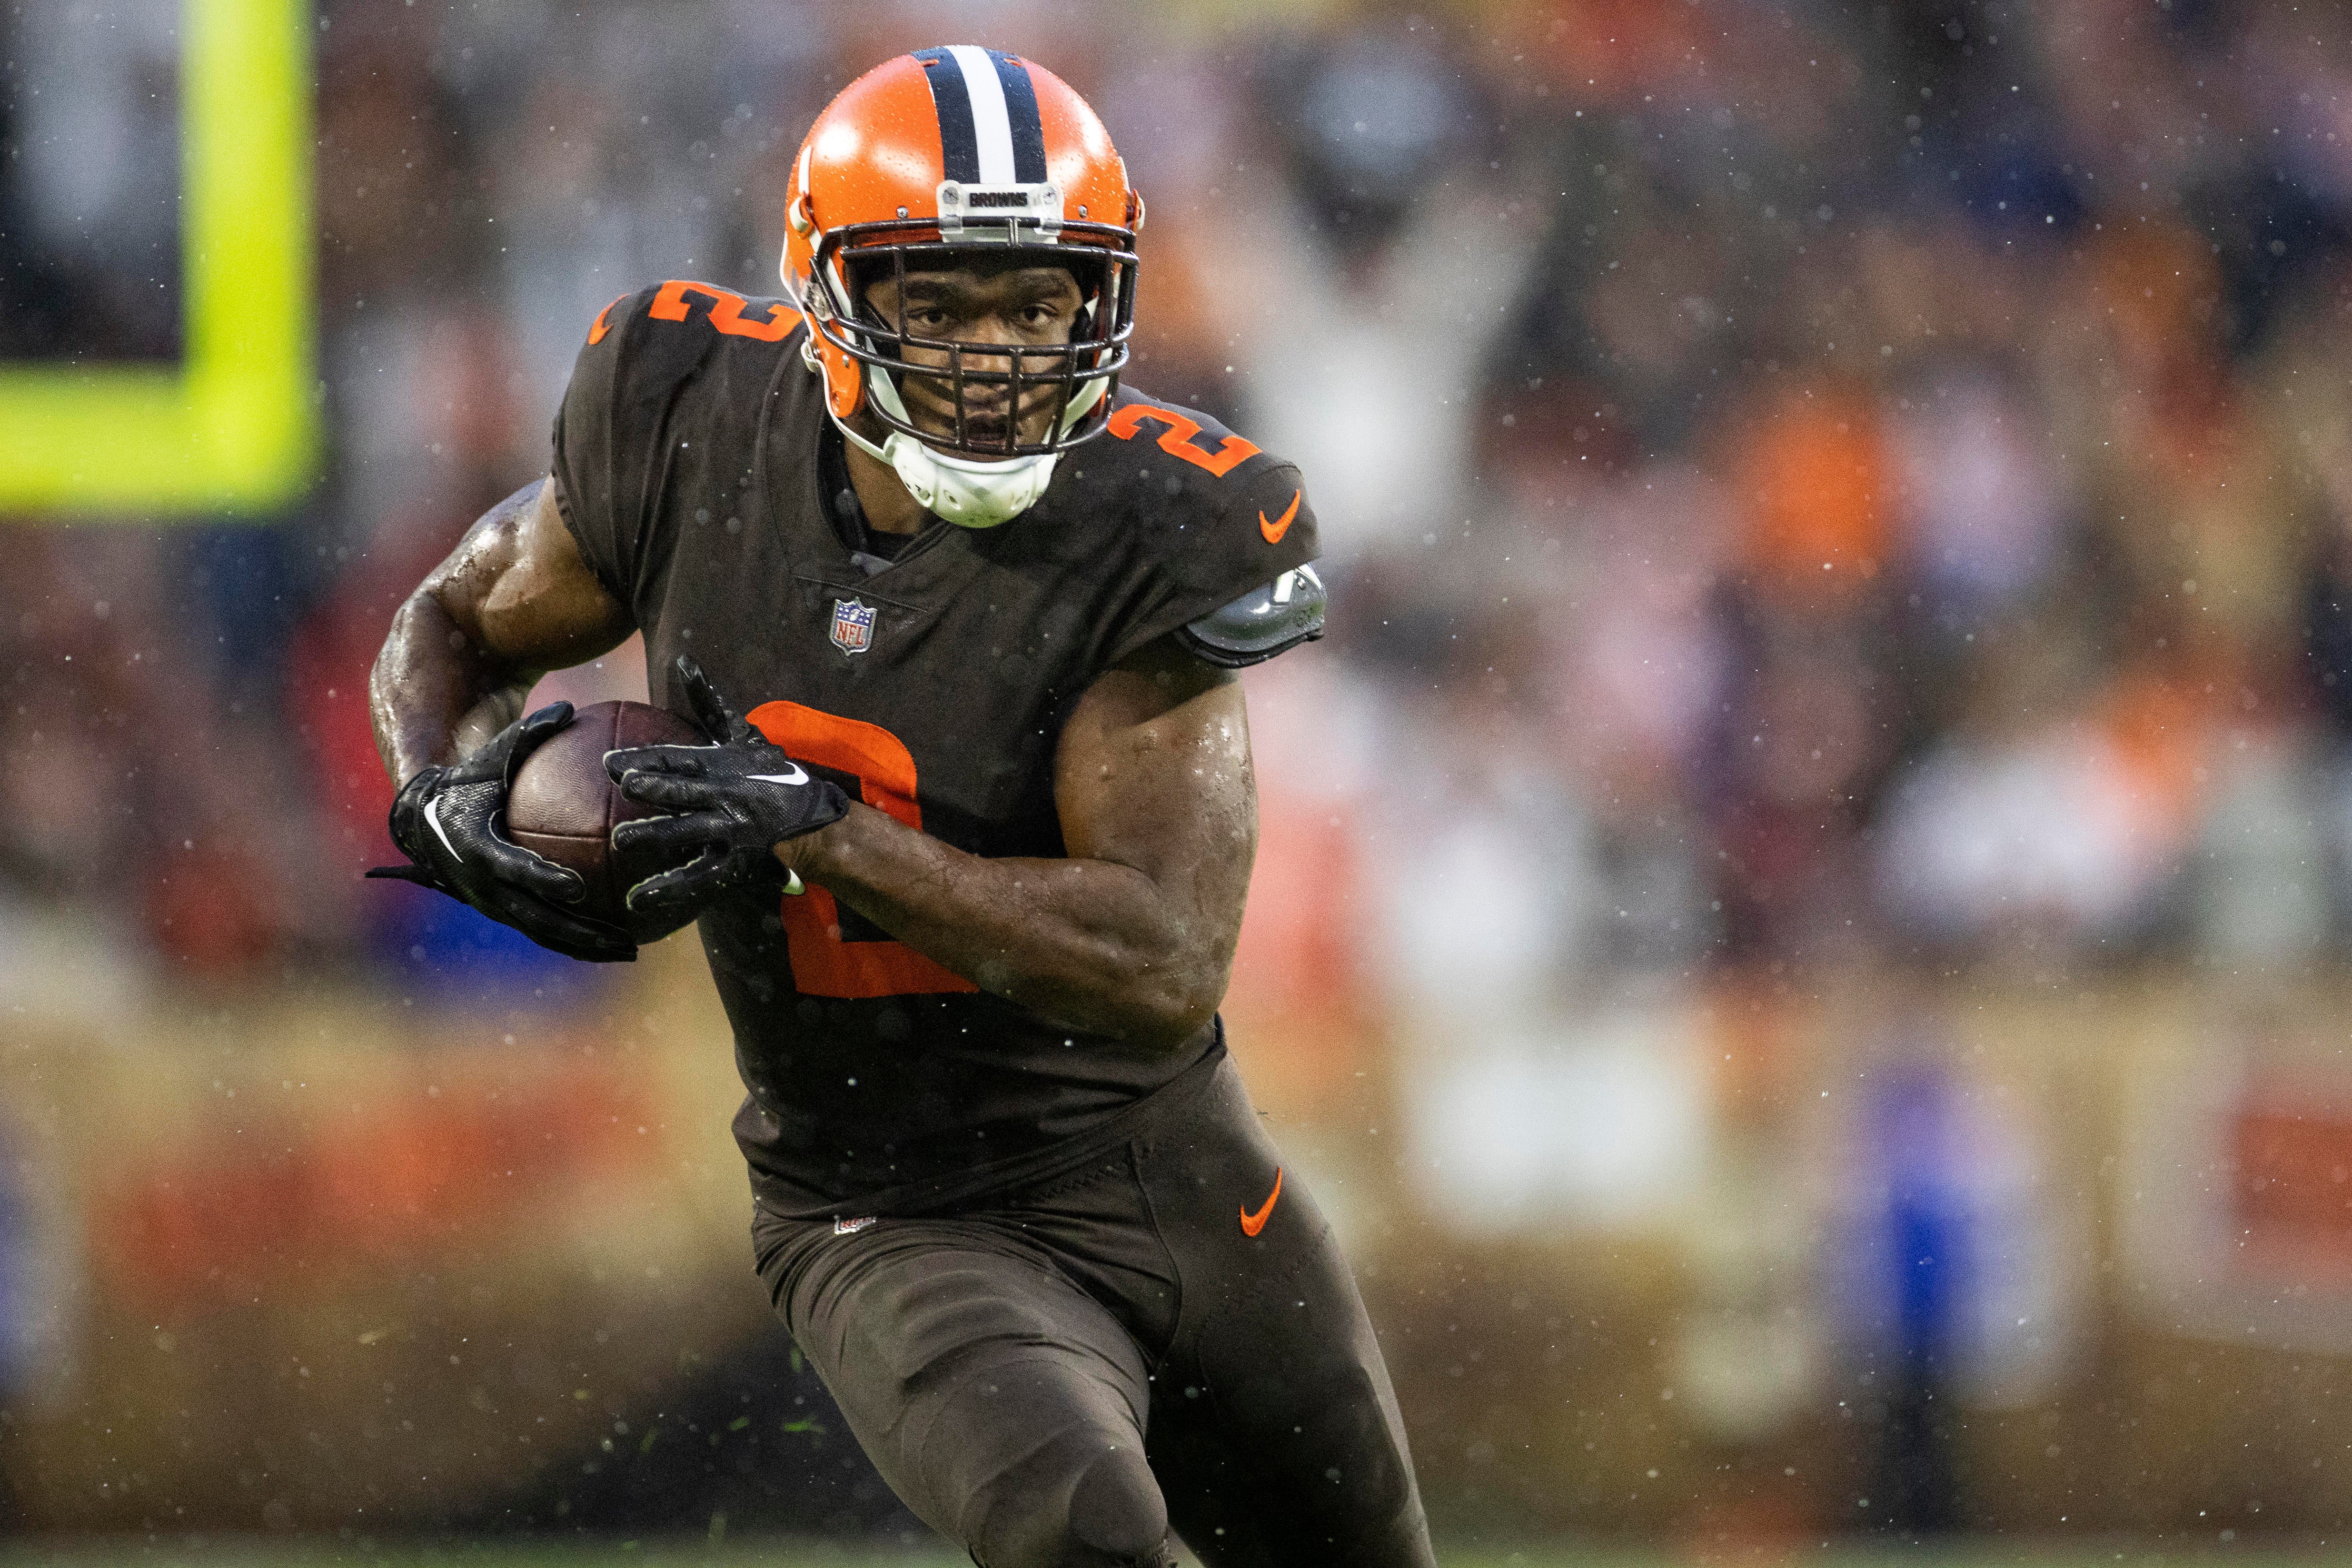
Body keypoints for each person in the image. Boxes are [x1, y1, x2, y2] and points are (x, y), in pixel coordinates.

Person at [367, 46, 1433, 1567]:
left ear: (1105, 303)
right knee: (1089, 1538)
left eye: (1037, 301)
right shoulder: (682, 423)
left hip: (1166, 1162)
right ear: (827, 299)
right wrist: (438, 791)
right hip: (891, 1211)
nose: (994, 355)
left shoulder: (1165, 520)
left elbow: (1160, 959)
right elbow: (452, 625)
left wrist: (817, 832)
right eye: (937, 305)